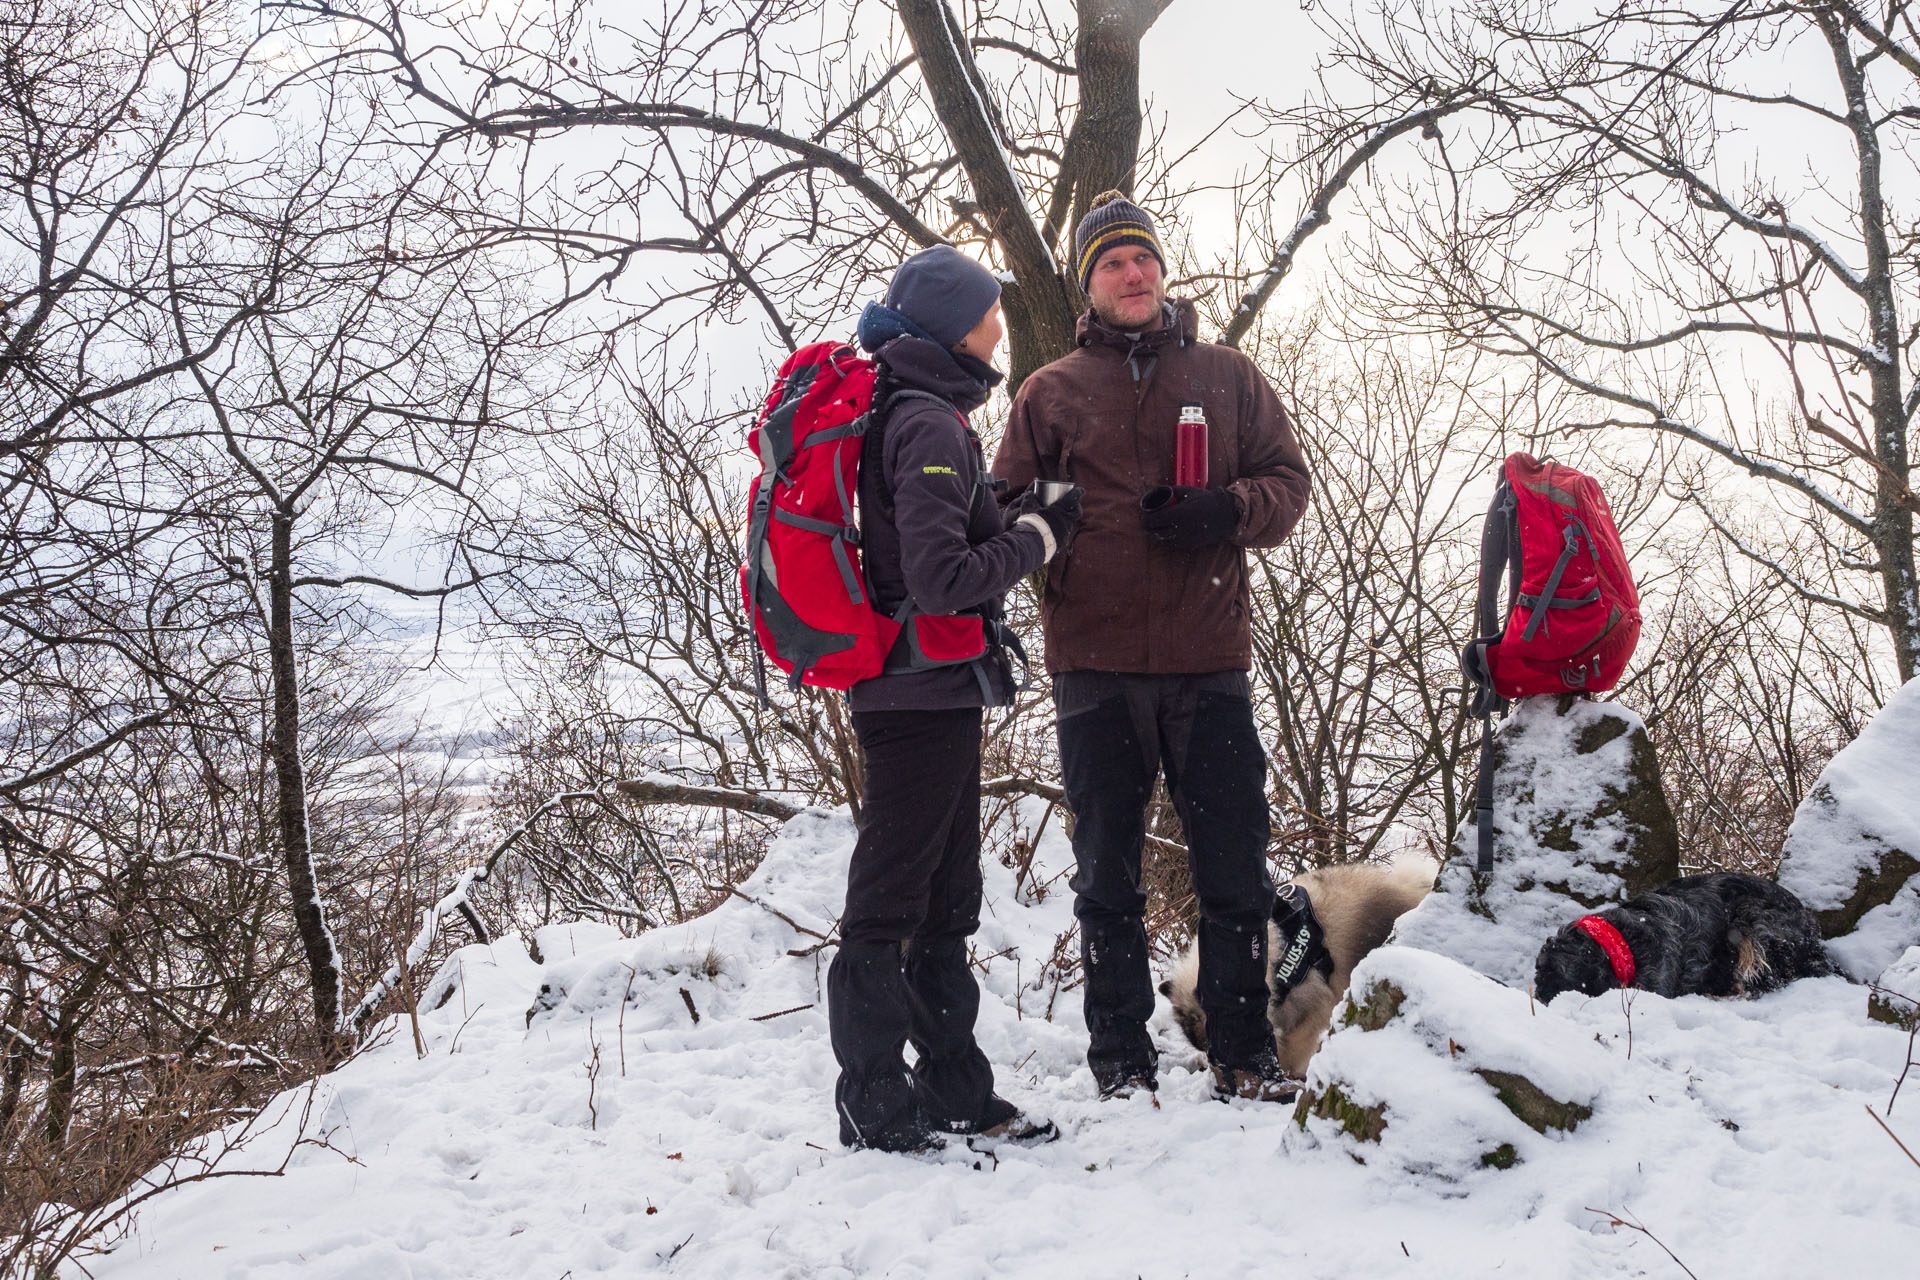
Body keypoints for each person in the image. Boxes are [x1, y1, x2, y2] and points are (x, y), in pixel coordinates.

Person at [992, 192, 1312, 1102]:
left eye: (1143, 260)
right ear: (1087, 288)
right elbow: (1003, 510)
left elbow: (1287, 485)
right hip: (1092, 665)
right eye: (1111, 265)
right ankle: (1120, 1061)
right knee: (1106, 877)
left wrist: (1225, 510)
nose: (1133, 275)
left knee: (1235, 871)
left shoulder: (1227, 375)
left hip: (1209, 661)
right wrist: (1065, 523)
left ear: (1162, 272)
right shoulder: (1049, 391)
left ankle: (1244, 1053)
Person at [828, 244, 1081, 1153]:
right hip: (915, 695)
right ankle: (875, 1106)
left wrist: (1006, 512)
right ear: (949, 323)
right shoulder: (928, 422)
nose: (999, 326)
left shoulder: (908, 409)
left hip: (923, 689)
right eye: (988, 313)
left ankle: (953, 1093)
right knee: (893, 904)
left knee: (942, 902)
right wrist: (1039, 536)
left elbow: (923, 544)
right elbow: (940, 580)